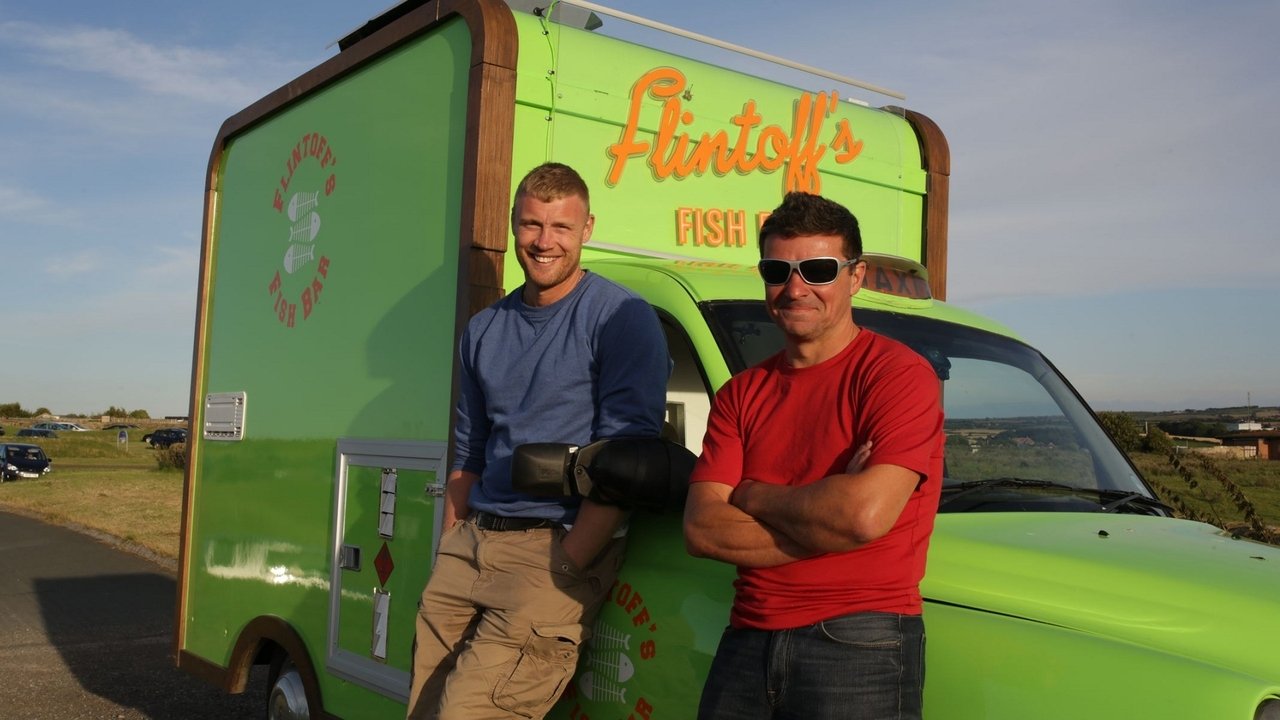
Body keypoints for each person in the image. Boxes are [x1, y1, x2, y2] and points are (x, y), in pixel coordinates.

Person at [406, 162, 670, 720]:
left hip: (551, 549)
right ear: (513, 225)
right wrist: (452, 541)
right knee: (424, 711)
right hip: (471, 547)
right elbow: (470, 447)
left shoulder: (621, 319)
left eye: (561, 228)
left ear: (587, 229)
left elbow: (629, 459)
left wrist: (569, 563)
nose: (544, 242)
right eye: (531, 225)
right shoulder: (484, 328)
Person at [683, 191, 944, 720]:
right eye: (779, 269)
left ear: (856, 276)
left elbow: (861, 515)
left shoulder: (897, 376)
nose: (796, 287)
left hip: (859, 640)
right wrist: (827, 521)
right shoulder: (741, 393)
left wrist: (753, 495)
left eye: (819, 269)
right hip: (748, 639)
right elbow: (703, 530)